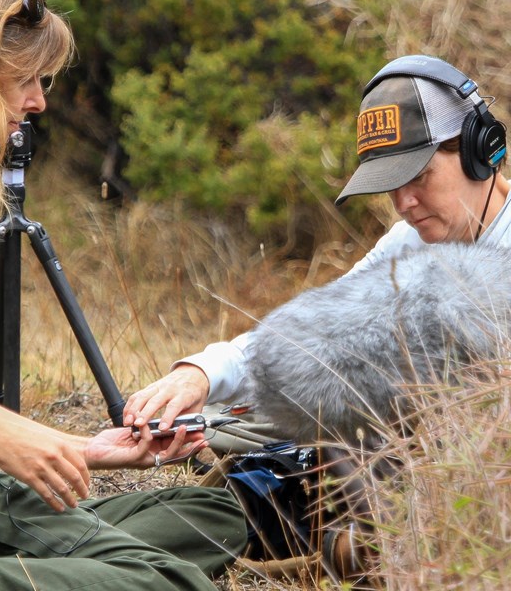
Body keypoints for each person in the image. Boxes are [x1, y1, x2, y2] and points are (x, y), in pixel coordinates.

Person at [0, 0, 247, 591]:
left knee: (210, 518)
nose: (38, 101)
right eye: (26, 79)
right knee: (167, 579)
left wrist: (83, 452)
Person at [123, 53, 511, 447]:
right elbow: (309, 334)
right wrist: (201, 373)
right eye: (391, 184)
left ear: (481, 151)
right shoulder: (406, 245)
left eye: (418, 176)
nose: (403, 202)